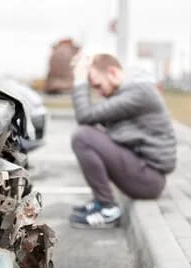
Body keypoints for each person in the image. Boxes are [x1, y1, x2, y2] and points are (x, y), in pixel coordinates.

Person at [69, 53, 177, 228]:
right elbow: (93, 117)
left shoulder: (140, 93)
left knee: (83, 136)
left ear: (112, 72)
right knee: (89, 133)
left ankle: (107, 209)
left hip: (149, 179)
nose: (98, 91)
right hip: (144, 173)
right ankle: (100, 202)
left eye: (97, 85)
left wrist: (80, 79)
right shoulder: (129, 91)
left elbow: (84, 115)